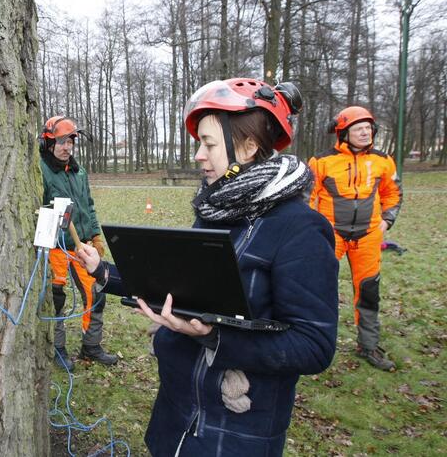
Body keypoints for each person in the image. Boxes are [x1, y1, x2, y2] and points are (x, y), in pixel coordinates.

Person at [74, 79, 339, 456]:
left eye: (209, 144)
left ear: (248, 147)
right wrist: (104, 271)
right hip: (174, 422)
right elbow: (179, 290)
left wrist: (214, 337)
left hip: (232, 436)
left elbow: (314, 346)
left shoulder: (300, 228)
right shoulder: (216, 213)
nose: (199, 154)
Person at [308, 106, 403, 371]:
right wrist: (311, 229)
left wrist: (387, 220)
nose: (365, 132)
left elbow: (393, 193)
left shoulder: (384, 160)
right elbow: (306, 198)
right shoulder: (322, 161)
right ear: (343, 132)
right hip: (331, 234)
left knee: (369, 291)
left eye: (368, 127)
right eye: (358, 128)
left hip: (369, 235)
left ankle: (368, 345)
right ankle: (311, 341)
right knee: (317, 287)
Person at [39, 115, 118, 371]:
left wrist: (95, 236)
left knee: (96, 293)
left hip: (82, 244)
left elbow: (89, 206)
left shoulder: (78, 171)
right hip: (56, 246)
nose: (67, 147)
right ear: (49, 143)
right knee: (57, 298)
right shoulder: (40, 170)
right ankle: (57, 348)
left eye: (70, 141)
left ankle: (91, 346)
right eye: (61, 142)